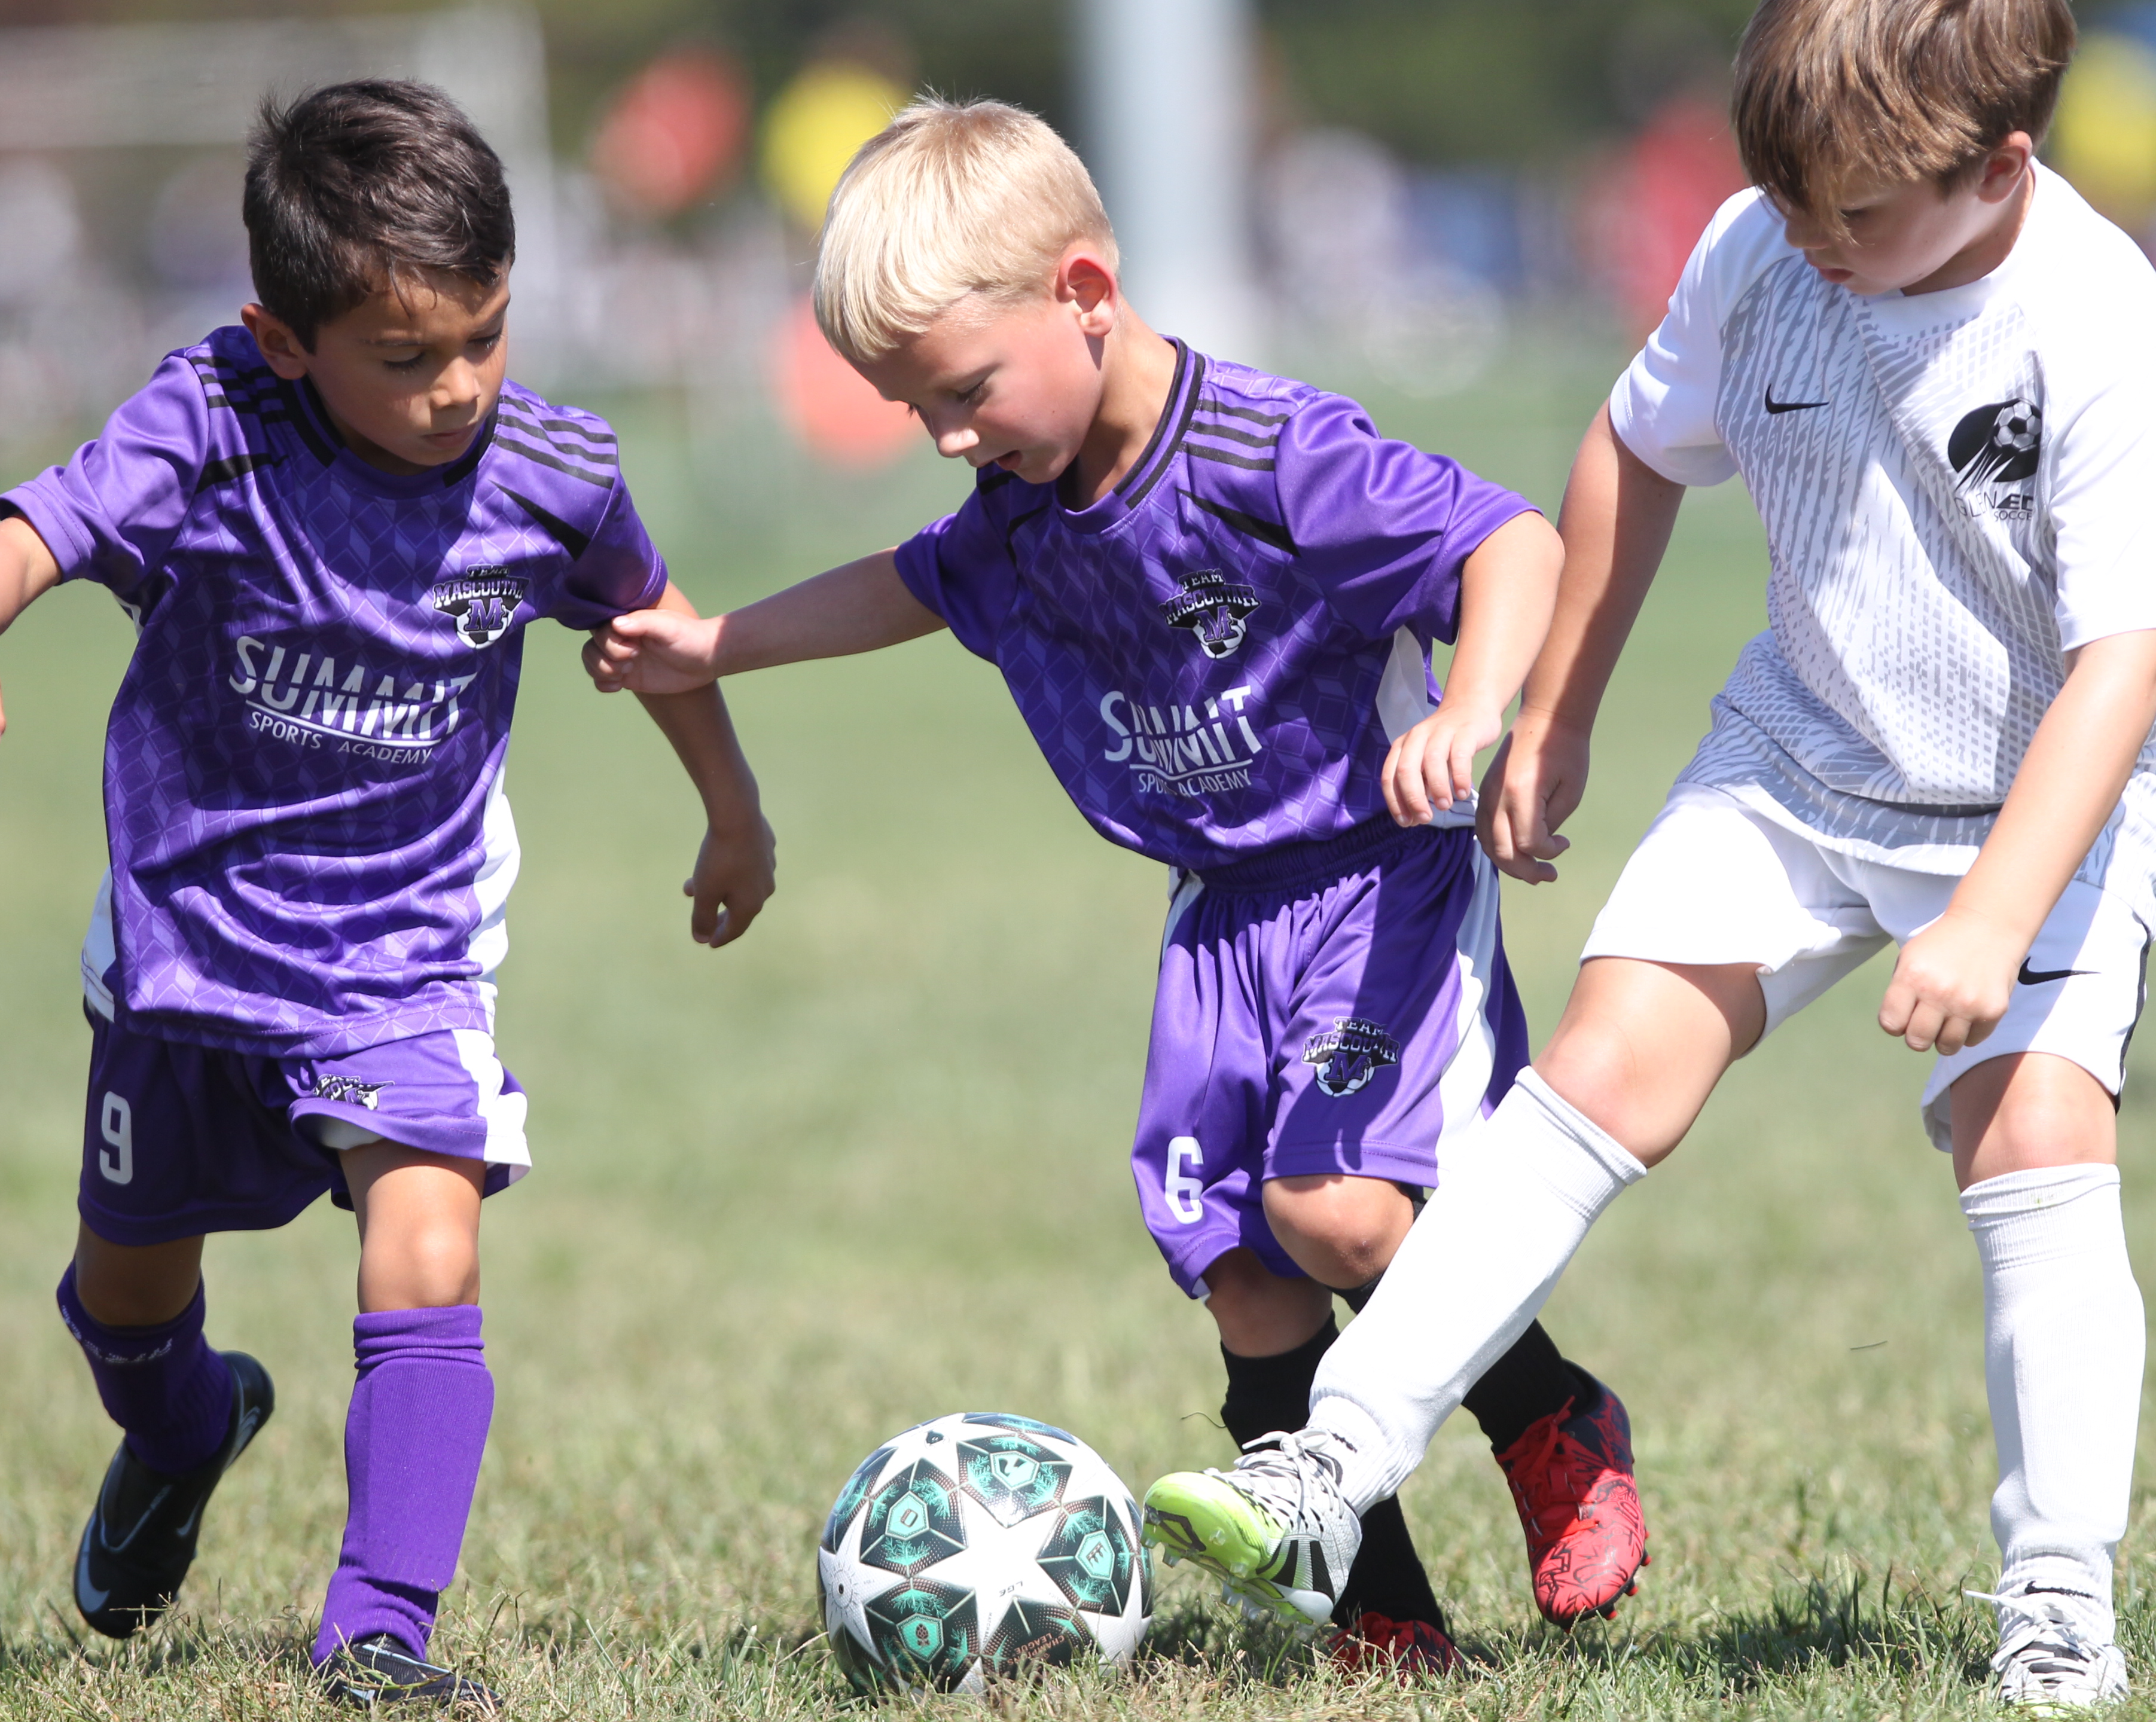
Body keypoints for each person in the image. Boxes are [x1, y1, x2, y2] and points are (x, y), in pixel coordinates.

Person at [1144, 0, 2156, 1706]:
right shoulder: (1762, 246)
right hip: (1800, 757)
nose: (1811, 239)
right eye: (1784, 198)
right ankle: (1333, 1463)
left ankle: (2061, 1604)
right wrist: (1555, 714)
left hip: (2036, 799)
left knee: (2037, 1145)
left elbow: (2122, 662)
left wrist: (1998, 913)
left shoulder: (2098, 322)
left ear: (2003, 167)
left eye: (1856, 214)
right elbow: (1631, 451)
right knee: (1598, 1074)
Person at [585, 97, 1648, 1673]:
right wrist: (716, 644)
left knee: (1338, 1214)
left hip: (1377, 881)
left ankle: (1553, 1418)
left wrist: (1476, 710)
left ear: (1084, 292)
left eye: (962, 393)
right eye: (914, 410)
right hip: (1217, 911)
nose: (950, 441)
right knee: (1242, 1269)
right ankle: (1384, 1625)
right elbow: (908, 583)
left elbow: (1511, 545)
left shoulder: (1270, 454)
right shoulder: (1019, 511)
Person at [0, 81, 773, 1708]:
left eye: (487, 337)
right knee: (128, 1298)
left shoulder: (555, 472)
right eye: (406, 357)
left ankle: (379, 1629)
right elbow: (25, 538)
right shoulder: (209, 423)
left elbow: (654, 627)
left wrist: (734, 812)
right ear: (287, 340)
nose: (458, 388)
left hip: (407, 948)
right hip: (189, 951)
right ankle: (192, 1427)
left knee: (430, 1240)